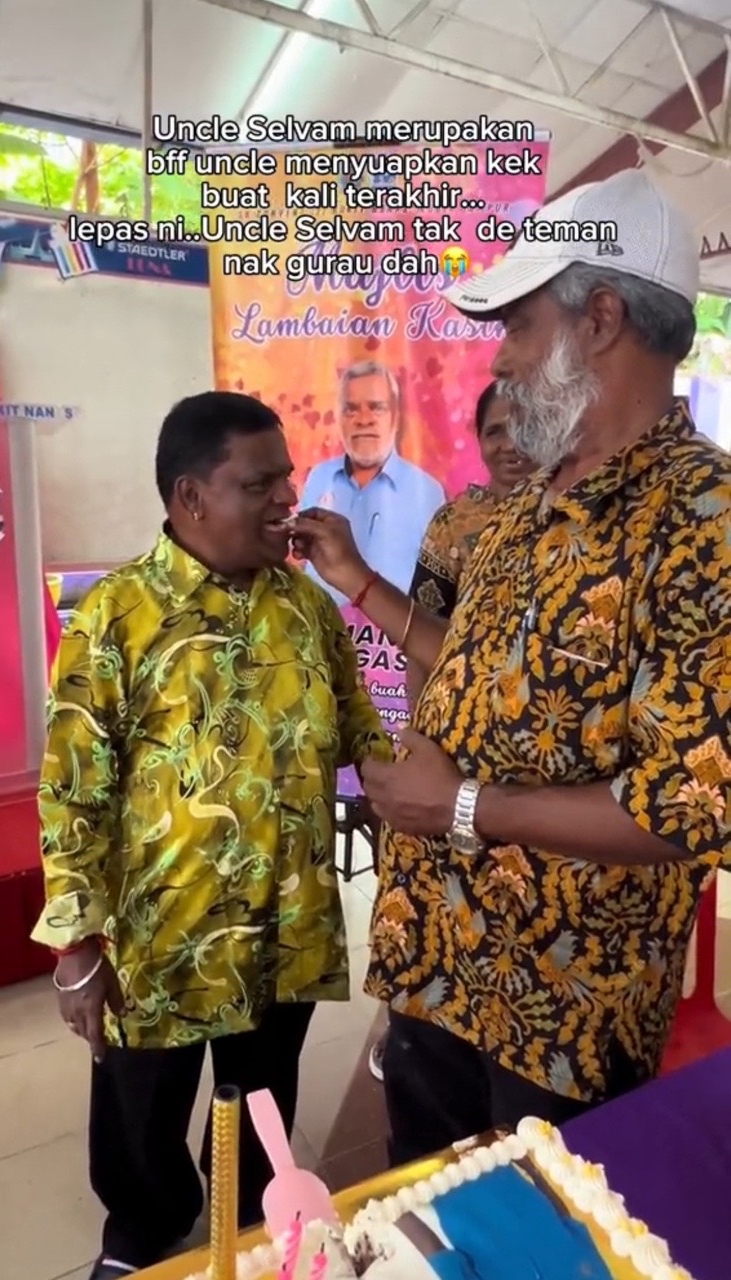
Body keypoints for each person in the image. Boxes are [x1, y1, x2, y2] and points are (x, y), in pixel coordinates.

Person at [293, 168, 731, 1165]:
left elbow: (696, 808)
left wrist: (459, 808)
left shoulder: (706, 524)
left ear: (603, 319)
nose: (501, 355)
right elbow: (475, 669)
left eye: (519, 326)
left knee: (538, 1243)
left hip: (557, 1015)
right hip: (432, 966)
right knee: (425, 1225)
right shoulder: (520, 512)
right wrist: (359, 582)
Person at [31, 391, 392, 1280]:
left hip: (284, 926)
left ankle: (255, 1221)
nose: (286, 501)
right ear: (191, 497)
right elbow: (72, 789)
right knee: (140, 1104)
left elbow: (359, 730)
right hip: (160, 936)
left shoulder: (304, 607)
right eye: (258, 483)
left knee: (264, 1094)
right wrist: (77, 946)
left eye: (288, 480)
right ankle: (144, 1232)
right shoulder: (117, 616)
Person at [367, 381, 533, 1082]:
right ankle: (416, 1025)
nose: (508, 443)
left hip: (527, 769)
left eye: (522, 427)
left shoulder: (572, 520)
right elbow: (421, 638)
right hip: (448, 747)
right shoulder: (454, 524)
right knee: (433, 909)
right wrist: (420, 735)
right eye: (494, 430)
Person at [299, 360, 445, 603]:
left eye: (376, 407)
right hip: (323, 633)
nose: (363, 419)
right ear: (339, 418)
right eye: (351, 409)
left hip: (393, 639)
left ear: (395, 417)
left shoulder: (426, 490)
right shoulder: (318, 477)